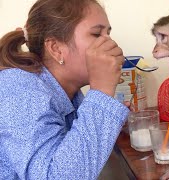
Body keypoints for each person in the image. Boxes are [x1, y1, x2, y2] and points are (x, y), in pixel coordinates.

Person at [0, 0, 130, 179]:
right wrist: (101, 94)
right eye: (96, 34)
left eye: (108, 33)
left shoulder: (70, 92)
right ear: (56, 48)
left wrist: (109, 119)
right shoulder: (19, 90)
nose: (112, 44)